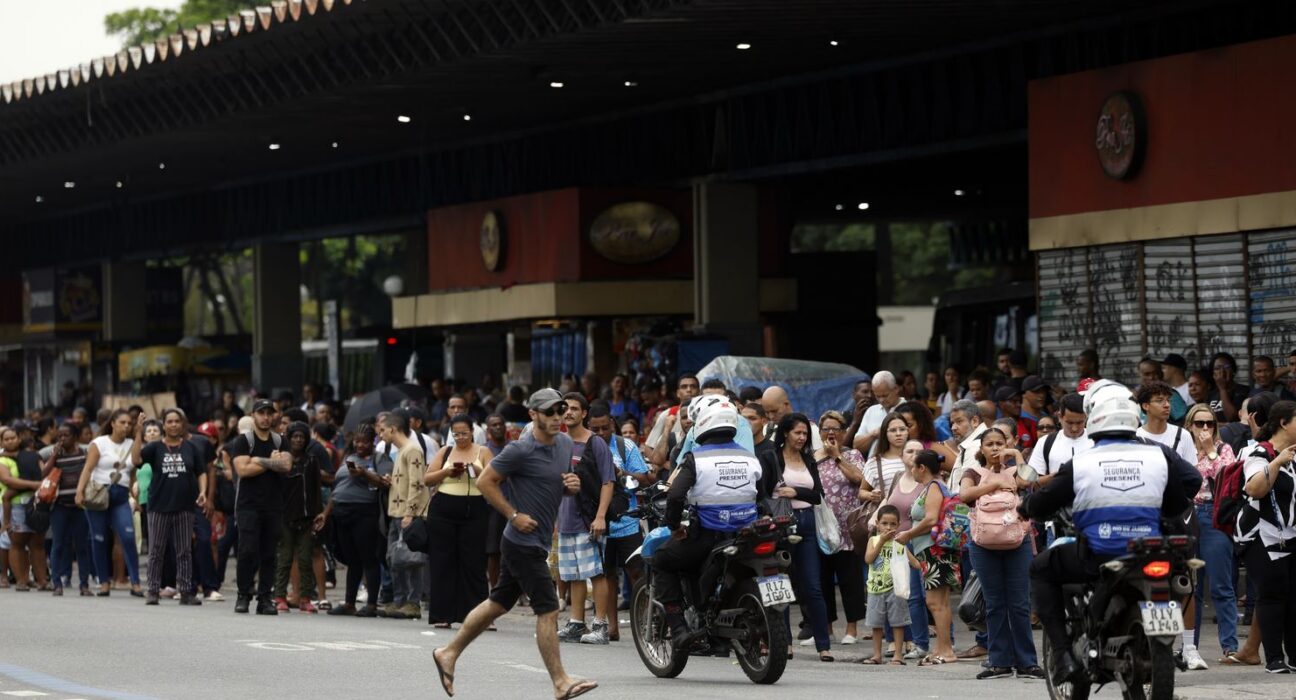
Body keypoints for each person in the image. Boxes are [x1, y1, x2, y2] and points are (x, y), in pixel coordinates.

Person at [1025, 380, 1201, 684]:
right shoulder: (1159, 455)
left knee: (1040, 568)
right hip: (1151, 551)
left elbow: (1042, 504)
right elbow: (1181, 497)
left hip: (1099, 554)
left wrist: (1025, 507)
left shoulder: (1080, 462)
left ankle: (1064, 655)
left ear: (1093, 418)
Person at [432, 388, 598, 700]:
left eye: (561, 411)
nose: (557, 417)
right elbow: (485, 482)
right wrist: (514, 514)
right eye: (549, 412)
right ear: (533, 415)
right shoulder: (520, 450)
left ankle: (448, 652)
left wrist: (570, 486)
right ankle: (561, 681)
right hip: (521, 541)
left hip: (537, 540)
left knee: (498, 603)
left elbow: (556, 484)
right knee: (548, 610)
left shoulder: (564, 443)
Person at [654, 399, 766, 646]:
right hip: (745, 534)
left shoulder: (697, 458)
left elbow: (675, 496)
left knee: (661, 560)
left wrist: (674, 526)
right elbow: (761, 495)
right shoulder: (749, 457)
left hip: (707, 535)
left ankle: (679, 629)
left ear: (703, 424)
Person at [960, 428, 1042, 679]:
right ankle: (999, 661)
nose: (995, 448)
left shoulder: (1015, 469)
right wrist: (994, 483)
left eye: (1000, 443)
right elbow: (964, 495)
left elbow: (1028, 482)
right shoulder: (972, 472)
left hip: (1018, 542)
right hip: (983, 545)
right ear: (981, 449)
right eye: (990, 444)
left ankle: (1027, 662)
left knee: (1019, 604)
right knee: (995, 604)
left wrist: (1016, 454)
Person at [1238, 400, 1296, 674]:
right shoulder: (1259, 452)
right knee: (1273, 596)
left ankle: (1294, 656)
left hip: (1292, 534)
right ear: (1283, 423)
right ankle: (1274, 658)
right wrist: (1276, 463)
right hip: (1263, 534)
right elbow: (1254, 489)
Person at [587, 403, 651, 642]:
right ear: (589, 427)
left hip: (627, 522)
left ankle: (644, 623)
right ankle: (611, 627)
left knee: (637, 573)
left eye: (605, 427)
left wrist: (622, 473)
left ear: (612, 424)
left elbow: (645, 478)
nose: (602, 433)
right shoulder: (585, 448)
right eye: (596, 429)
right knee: (606, 576)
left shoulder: (625, 446)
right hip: (597, 524)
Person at [555, 393, 615, 644]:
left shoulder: (595, 443)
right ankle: (576, 623)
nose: (568, 412)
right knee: (573, 574)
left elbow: (608, 481)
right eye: (564, 408)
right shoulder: (557, 443)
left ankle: (600, 625)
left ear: (584, 414)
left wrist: (600, 516)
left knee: (596, 573)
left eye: (574, 409)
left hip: (588, 519)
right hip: (565, 519)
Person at [773, 412, 833, 661]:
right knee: (781, 585)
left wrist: (794, 490)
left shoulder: (808, 460)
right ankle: (784, 642)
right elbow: (765, 492)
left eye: (805, 434)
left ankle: (824, 645)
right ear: (785, 433)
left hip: (807, 523)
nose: (801, 437)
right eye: (797, 433)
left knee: (813, 587)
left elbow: (817, 494)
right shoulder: (772, 457)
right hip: (781, 524)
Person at [1182, 402, 1239, 668]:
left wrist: (1210, 451)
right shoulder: (1182, 447)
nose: (1205, 428)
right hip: (1186, 515)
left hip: (1212, 513)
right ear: (1189, 425)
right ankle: (1189, 646)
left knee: (1221, 585)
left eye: (1210, 423)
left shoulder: (1223, 448)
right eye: (1199, 423)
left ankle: (1230, 646)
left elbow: (1227, 477)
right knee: (1190, 587)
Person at [133, 408, 208, 606]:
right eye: (169, 421)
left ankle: (185, 591)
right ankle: (153, 591)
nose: (173, 425)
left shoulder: (191, 448)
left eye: (177, 421)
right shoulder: (155, 448)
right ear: (164, 425)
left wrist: (203, 492)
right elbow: (136, 460)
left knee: (184, 551)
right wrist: (138, 433)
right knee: (156, 550)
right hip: (158, 506)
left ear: (182, 425)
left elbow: (201, 472)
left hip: (185, 506)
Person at [423, 414, 493, 627]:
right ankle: (442, 615)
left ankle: (479, 617)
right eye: (456, 434)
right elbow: (427, 478)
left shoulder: (483, 451)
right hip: (443, 510)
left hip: (475, 509)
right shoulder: (445, 451)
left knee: (474, 563)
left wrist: (476, 469)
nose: (461, 438)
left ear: (473, 432)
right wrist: (447, 471)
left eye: (464, 433)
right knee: (443, 562)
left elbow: (495, 478)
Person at [894, 449, 960, 665]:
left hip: (935, 550)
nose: (911, 470)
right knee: (939, 602)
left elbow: (931, 519)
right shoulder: (932, 486)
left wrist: (908, 534)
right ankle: (941, 648)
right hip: (932, 550)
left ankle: (946, 650)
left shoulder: (933, 487)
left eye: (914, 466)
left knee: (935, 602)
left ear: (922, 468)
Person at [231, 399, 293, 615]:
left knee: (269, 554)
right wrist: (268, 461)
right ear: (253, 415)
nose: (266, 417)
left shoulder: (280, 441)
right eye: (261, 413)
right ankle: (243, 595)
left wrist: (257, 461)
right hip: (248, 505)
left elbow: (285, 465)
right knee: (247, 551)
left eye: (269, 413)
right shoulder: (243, 441)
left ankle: (265, 598)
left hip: (274, 506)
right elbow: (243, 470)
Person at [812, 411, 868, 644]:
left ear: (844, 432)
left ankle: (852, 629)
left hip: (847, 528)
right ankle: (827, 628)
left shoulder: (852, 455)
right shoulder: (813, 456)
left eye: (836, 428)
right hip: (823, 527)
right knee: (822, 579)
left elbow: (859, 479)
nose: (831, 433)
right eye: (826, 429)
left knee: (849, 580)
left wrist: (837, 457)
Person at [76, 409, 142, 597]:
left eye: (129, 423)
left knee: (128, 537)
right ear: (112, 423)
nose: (126, 426)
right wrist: (79, 491)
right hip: (99, 495)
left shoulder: (132, 443)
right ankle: (104, 582)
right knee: (99, 539)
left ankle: (135, 583)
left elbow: (136, 465)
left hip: (121, 497)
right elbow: (88, 468)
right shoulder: (99, 443)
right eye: (122, 422)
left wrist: (139, 433)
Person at [322, 425, 385, 617]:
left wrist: (364, 473)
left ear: (372, 442)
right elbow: (338, 487)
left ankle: (372, 604)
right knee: (352, 560)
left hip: (364, 512)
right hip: (341, 512)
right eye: (357, 441)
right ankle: (349, 603)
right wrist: (325, 514)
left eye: (364, 441)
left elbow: (385, 482)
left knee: (368, 558)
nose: (359, 445)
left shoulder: (379, 458)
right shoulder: (348, 458)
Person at [268, 421, 325, 613]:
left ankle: (305, 597)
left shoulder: (312, 460)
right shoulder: (282, 460)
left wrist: (319, 513)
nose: (298, 440)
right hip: (285, 516)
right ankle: (280, 596)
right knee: (284, 559)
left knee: (305, 559)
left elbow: (316, 488)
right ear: (288, 439)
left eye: (302, 437)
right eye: (295, 437)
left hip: (307, 517)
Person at [382, 409, 430, 620]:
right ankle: (399, 600)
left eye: (383, 430)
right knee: (396, 558)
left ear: (393, 429)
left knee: (412, 560)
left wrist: (410, 513)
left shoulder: (412, 450)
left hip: (408, 514)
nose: (381, 434)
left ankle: (412, 602)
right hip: (396, 513)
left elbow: (417, 483)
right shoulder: (401, 451)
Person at [861, 505, 920, 665]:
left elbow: (914, 562)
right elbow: (868, 559)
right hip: (875, 588)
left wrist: (924, 566)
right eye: (884, 523)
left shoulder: (899, 543)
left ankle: (898, 655)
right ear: (877, 524)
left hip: (896, 589)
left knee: (898, 622)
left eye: (893, 524)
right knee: (876, 623)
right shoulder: (873, 541)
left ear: (898, 525)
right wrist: (881, 541)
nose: (888, 527)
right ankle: (876, 655)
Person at [44, 423, 94, 596]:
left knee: (82, 546)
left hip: (80, 506)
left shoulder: (84, 453)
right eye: (60, 436)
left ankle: (84, 584)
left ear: (75, 437)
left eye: (66, 435)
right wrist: (54, 456)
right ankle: (57, 583)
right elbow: (43, 474)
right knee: (58, 544)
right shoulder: (56, 455)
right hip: (60, 506)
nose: (62, 439)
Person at [0, 428, 48, 591]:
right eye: (6, 439)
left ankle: (42, 581)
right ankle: (21, 580)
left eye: (13, 438)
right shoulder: (2, 461)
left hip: (36, 502)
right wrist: (33, 484)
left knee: (37, 542)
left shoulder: (30, 456)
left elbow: (44, 473)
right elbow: (8, 481)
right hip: (16, 504)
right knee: (18, 542)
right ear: (1, 442)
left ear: (19, 439)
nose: (10, 441)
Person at [1028, 393, 1092, 488]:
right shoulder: (1045, 442)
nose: (1074, 428)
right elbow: (1031, 482)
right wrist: (1054, 478)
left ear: (1086, 417)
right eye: (1069, 423)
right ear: (1059, 417)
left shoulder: (1097, 441)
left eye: (1079, 422)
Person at [1136, 381, 1197, 466]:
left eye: (1168, 400)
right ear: (1146, 406)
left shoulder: (1183, 435)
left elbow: (1193, 473)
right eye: (1159, 400)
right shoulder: (1135, 437)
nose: (1167, 405)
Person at [854, 371, 902, 454]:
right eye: (877, 396)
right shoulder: (871, 411)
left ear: (896, 389)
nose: (881, 400)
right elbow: (856, 445)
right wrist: (874, 434)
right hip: (874, 465)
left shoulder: (909, 409)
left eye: (885, 395)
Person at [947, 399, 987, 494]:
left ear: (975, 421)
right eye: (952, 423)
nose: (953, 428)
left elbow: (965, 490)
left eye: (959, 421)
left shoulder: (974, 446)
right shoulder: (976, 443)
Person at [1209, 352, 1249, 423]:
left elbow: (1232, 418)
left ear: (1233, 371)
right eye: (1217, 368)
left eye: (1227, 367)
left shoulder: (1244, 392)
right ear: (1213, 374)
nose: (1222, 371)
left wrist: (1222, 389)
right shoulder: (1210, 395)